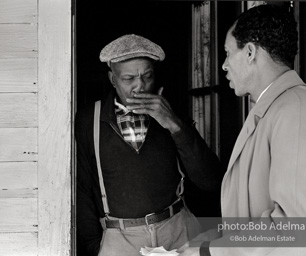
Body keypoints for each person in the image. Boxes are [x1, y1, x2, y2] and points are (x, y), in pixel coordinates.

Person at [179, 4, 306, 256]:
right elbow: (255, 214)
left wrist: (212, 252)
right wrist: (210, 238)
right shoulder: (274, 109)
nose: (224, 65)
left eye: (228, 53)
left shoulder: (296, 112)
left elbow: (301, 231)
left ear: (250, 52)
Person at [76, 34, 222, 256]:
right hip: (119, 239)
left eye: (147, 76)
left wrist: (174, 124)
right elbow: (83, 189)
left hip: (176, 231)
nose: (140, 87)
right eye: (128, 79)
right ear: (112, 79)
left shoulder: (172, 111)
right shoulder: (89, 120)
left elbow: (210, 180)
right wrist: (95, 246)